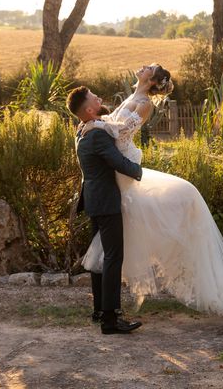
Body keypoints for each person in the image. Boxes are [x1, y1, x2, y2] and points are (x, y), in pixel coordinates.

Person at [80, 64, 223, 328]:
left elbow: (120, 134)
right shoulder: (131, 97)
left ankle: (107, 312)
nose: (142, 67)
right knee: (108, 247)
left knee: (114, 246)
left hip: (123, 166)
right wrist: (94, 124)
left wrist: (94, 125)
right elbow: (108, 128)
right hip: (113, 172)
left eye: (149, 68)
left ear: (152, 79)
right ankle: (104, 311)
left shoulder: (144, 104)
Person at [66, 86, 144, 335]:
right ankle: (111, 319)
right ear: (89, 109)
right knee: (112, 257)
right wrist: (140, 172)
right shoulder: (97, 135)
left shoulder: (83, 129)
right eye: (94, 98)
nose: (99, 98)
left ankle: (100, 310)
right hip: (106, 201)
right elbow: (117, 162)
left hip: (93, 200)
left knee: (99, 257)